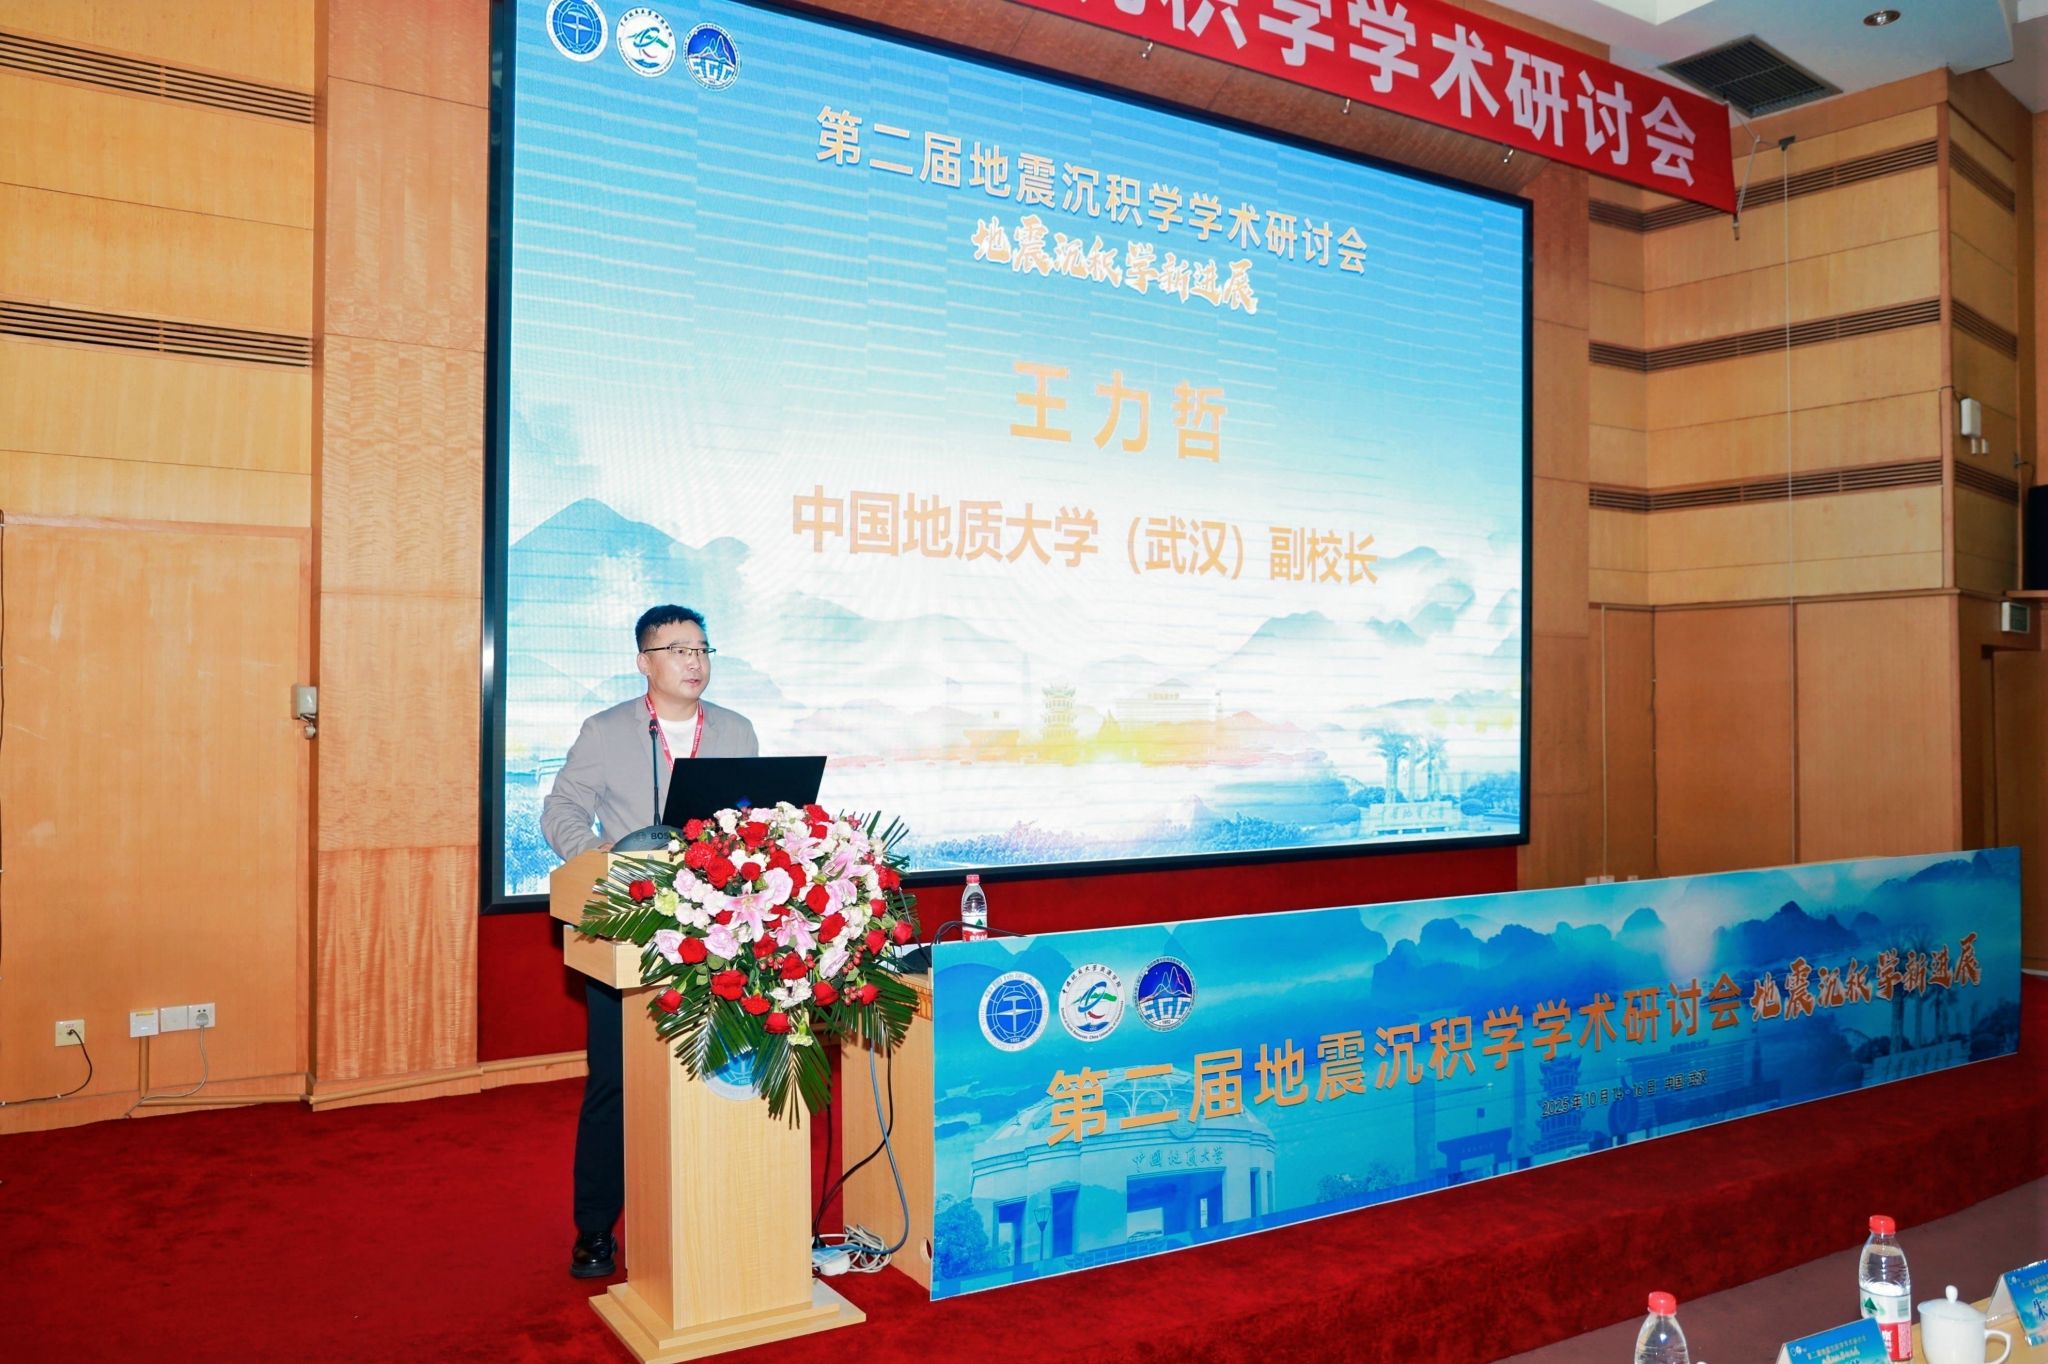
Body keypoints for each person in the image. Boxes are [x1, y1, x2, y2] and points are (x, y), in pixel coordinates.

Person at [541, 604, 759, 1278]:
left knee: (725, 1076)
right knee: (616, 1083)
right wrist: (600, 864)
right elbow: (561, 810)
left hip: (721, 933)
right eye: (678, 650)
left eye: (702, 649)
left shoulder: (736, 730)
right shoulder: (606, 731)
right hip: (628, 927)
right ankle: (595, 1227)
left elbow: (758, 818)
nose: (695, 662)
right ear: (645, 662)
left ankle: (719, 1210)